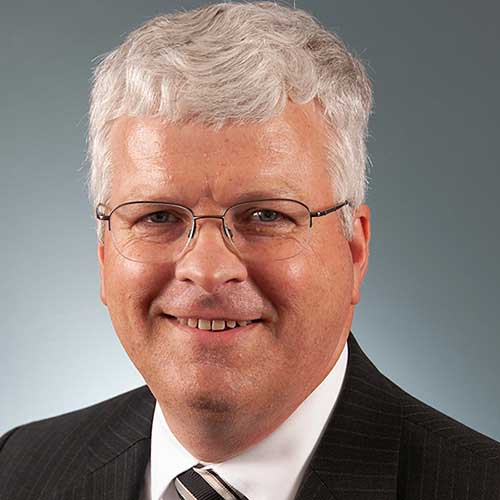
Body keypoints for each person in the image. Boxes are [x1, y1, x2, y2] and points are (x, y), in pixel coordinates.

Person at [0, 2, 499, 499]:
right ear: (105, 253)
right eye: (158, 217)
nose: (206, 269)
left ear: (354, 251)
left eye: (265, 216)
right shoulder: (19, 470)